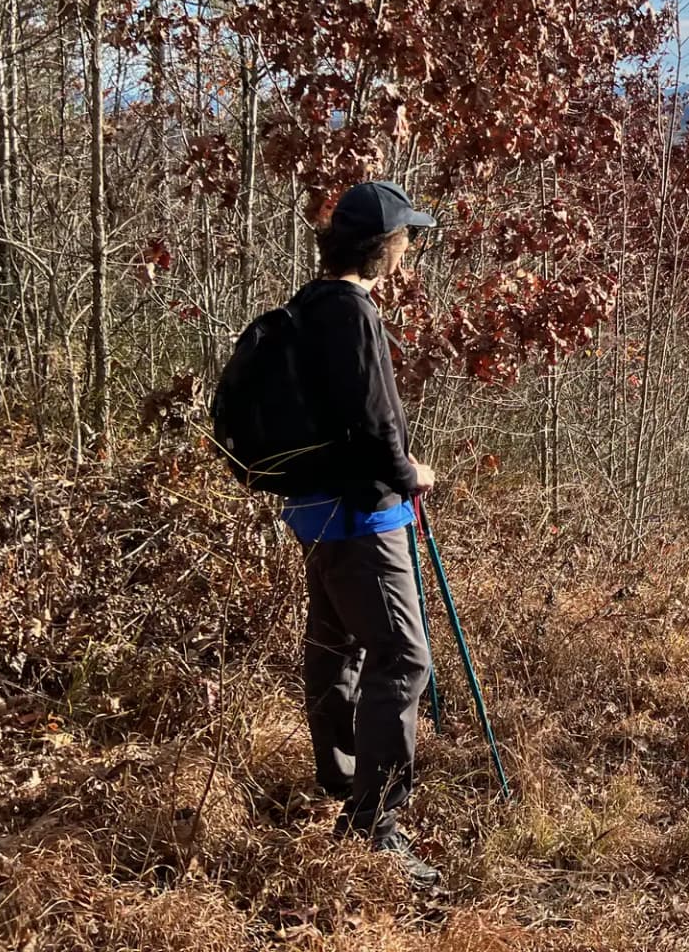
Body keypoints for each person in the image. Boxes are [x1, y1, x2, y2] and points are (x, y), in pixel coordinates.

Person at [284, 179, 441, 891]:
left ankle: (343, 782)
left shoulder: (306, 307)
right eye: (406, 238)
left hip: (316, 512)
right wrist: (413, 472)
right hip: (363, 517)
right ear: (382, 247)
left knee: (336, 644)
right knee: (404, 659)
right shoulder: (352, 314)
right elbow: (378, 429)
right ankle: (375, 826)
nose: (410, 248)